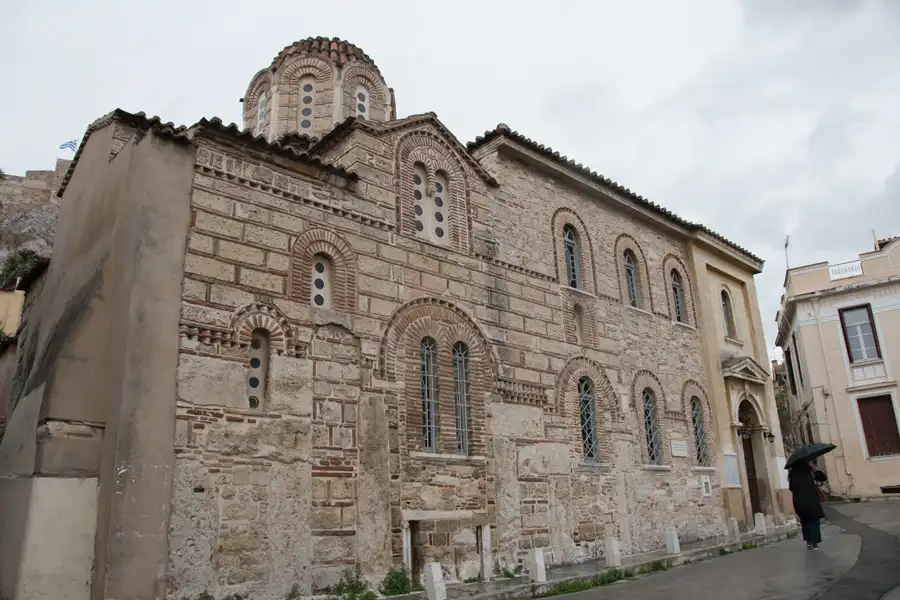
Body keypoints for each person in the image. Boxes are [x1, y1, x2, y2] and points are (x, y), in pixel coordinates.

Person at [788, 460, 827, 549]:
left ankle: (809, 541)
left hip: (799, 502)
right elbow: (823, 477)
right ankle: (815, 542)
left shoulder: (793, 475)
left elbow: (791, 488)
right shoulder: (810, 472)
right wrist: (814, 469)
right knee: (814, 521)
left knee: (805, 521)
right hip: (811, 500)